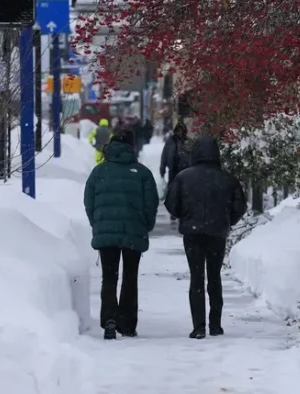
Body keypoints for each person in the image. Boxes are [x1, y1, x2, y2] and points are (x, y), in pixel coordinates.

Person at [164, 135, 247, 339]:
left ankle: (199, 326)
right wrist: (227, 221)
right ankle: (215, 325)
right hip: (217, 233)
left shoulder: (183, 177)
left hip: (192, 233)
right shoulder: (228, 179)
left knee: (197, 277)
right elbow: (240, 206)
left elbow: (171, 204)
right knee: (215, 276)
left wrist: (184, 216)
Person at [83, 129, 158, 340]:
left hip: (106, 233)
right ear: (131, 147)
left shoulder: (99, 172)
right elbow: (151, 203)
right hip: (134, 231)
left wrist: (97, 223)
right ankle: (127, 323)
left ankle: (109, 319)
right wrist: (146, 225)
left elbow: (89, 201)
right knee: (130, 277)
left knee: (109, 277)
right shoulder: (142, 173)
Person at [159, 122, 190, 220]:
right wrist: (162, 168)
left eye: (182, 131)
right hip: (173, 169)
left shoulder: (188, 142)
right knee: (173, 192)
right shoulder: (170, 141)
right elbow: (165, 155)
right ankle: (174, 211)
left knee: (184, 192)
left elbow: (192, 155)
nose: (180, 133)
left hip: (185, 170)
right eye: (178, 131)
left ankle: (182, 211)